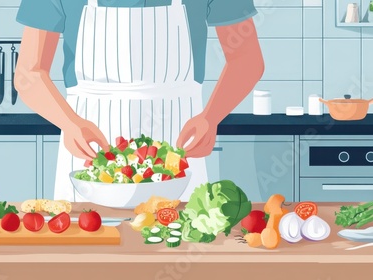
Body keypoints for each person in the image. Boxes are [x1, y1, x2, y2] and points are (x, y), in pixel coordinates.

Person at [15, 0, 264, 202]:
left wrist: (211, 117)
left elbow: (247, 59)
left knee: (179, 243)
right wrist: (68, 123)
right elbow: (29, 72)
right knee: (89, 254)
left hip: (179, 143)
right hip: (88, 143)